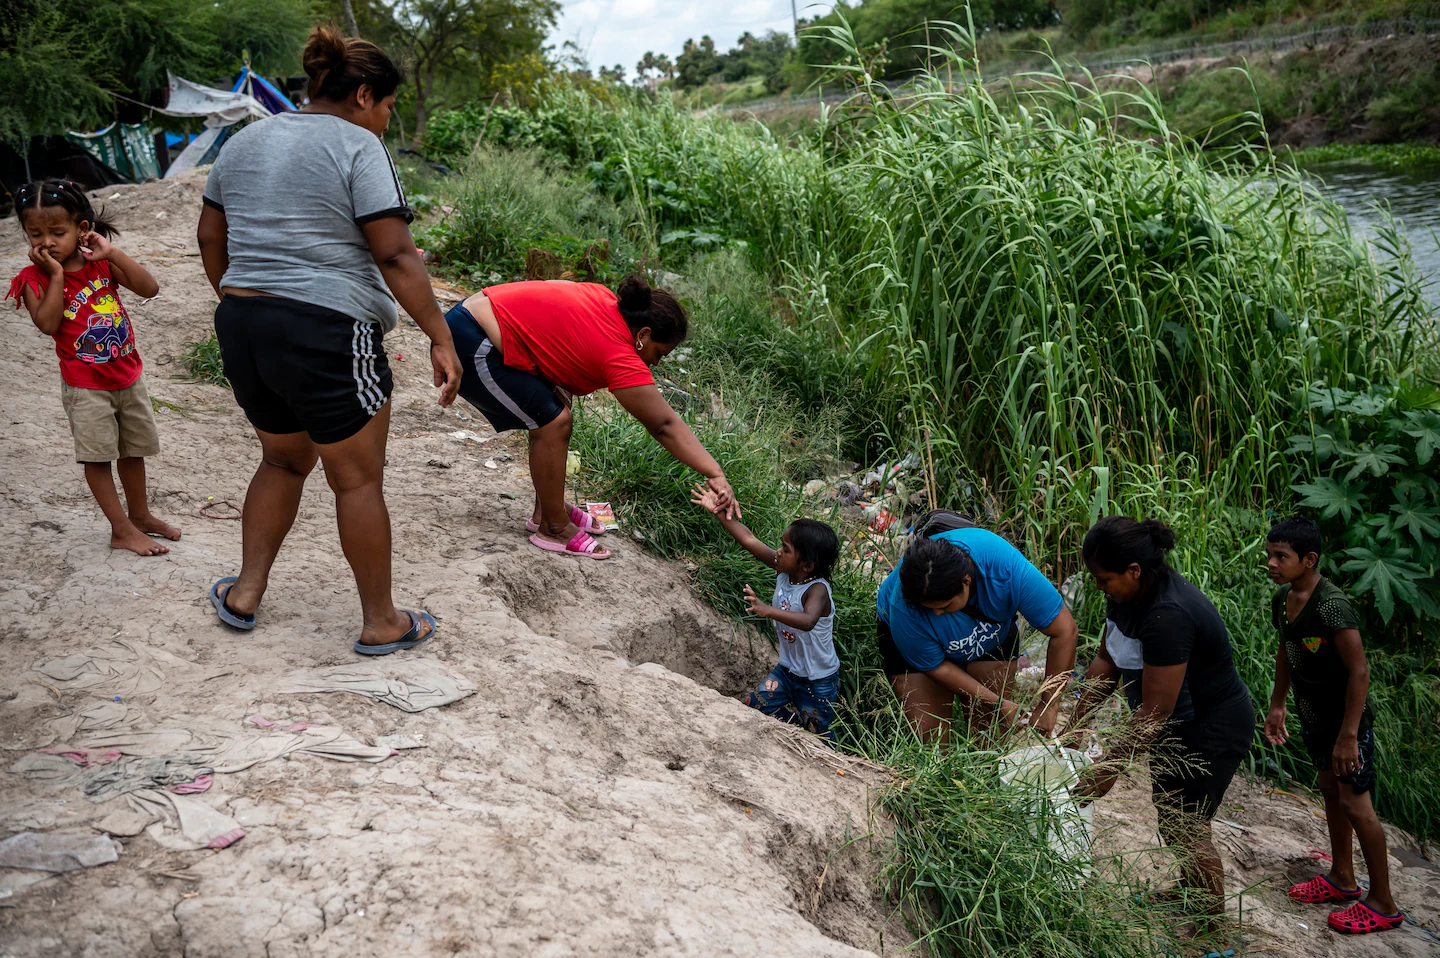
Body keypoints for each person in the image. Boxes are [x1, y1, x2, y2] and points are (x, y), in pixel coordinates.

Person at [195, 25, 463, 655]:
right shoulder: (359, 146)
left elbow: (210, 236)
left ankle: (245, 593)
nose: (387, 120)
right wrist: (440, 335)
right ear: (364, 94)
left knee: (282, 460)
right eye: (388, 106)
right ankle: (382, 622)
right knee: (357, 481)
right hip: (327, 330)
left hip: (243, 323)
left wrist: (242, 301)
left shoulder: (246, 139)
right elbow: (395, 254)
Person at [444, 276, 738, 559]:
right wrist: (714, 472)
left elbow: (552, 294)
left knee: (558, 400)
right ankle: (554, 527)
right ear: (643, 335)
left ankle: (547, 509)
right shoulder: (619, 354)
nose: (656, 363)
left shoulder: (605, 299)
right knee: (554, 423)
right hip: (469, 343)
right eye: (659, 353)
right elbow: (663, 425)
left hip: (467, 318)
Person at [1069, 516, 1254, 940]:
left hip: (1210, 725)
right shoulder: (1126, 596)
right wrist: (1076, 724)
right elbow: (1107, 660)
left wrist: (1109, 768)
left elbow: (1155, 710)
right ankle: (1192, 892)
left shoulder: (1168, 614)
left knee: (1188, 825)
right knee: (1171, 816)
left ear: (1134, 570)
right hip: (1172, 725)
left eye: (1104, 579)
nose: (1099, 587)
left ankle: (1214, 931)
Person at [8, 179, 181, 556]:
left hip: (127, 376)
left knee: (133, 451)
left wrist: (112, 252)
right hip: (85, 386)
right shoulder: (32, 279)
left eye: (58, 232)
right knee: (98, 457)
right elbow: (48, 324)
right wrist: (57, 275)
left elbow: (149, 289)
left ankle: (140, 515)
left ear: (82, 228)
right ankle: (121, 529)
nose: (47, 243)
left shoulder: (100, 263)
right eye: (36, 234)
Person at [1263, 517, 1401, 934]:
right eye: (1269, 555)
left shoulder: (1331, 605)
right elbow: (1286, 651)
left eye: (1281, 556)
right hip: (1315, 718)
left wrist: (1349, 736)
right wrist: (1278, 703)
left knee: (1355, 804)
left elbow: (1359, 672)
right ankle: (1342, 877)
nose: (1271, 563)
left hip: (1346, 724)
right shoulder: (1284, 598)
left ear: (1309, 559)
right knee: (1329, 791)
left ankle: (1383, 903)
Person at [875, 524, 1078, 739]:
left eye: (945, 606)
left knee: (989, 732)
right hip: (918, 644)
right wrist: (998, 703)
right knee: (932, 737)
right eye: (929, 609)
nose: (937, 614)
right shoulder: (903, 607)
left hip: (989, 635)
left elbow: (1065, 631)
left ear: (966, 582)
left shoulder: (1005, 569)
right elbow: (937, 667)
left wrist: (1049, 704)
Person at [691, 483, 841, 741]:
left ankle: (820, 745)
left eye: (786, 549)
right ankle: (795, 727)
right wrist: (719, 513)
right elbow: (749, 539)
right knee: (757, 705)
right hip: (788, 670)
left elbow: (807, 621)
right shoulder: (784, 569)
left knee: (820, 734)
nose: (778, 552)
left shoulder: (817, 590)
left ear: (807, 565)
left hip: (818, 680)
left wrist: (768, 610)